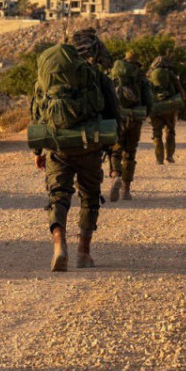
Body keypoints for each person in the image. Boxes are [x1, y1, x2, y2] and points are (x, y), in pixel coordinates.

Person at [30, 28, 120, 272]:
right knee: (90, 197)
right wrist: (112, 149)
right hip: (89, 146)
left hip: (57, 146)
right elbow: (114, 114)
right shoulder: (96, 76)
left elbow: (37, 113)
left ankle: (59, 243)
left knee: (58, 194)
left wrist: (39, 150)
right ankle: (83, 252)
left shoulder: (47, 78)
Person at [108, 51, 153, 202]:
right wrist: (146, 113)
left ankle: (116, 175)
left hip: (117, 116)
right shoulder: (140, 76)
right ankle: (126, 190)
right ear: (136, 63)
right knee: (130, 152)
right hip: (135, 117)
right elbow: (149, 99)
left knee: (115, 150)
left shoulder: (113, 73)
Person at [148, 55, 185, 166]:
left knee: (157, 133)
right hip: (169, 106)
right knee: (170, 131)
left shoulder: (149, 74)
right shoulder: (170, 74)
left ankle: (159, 159)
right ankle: (169, 156)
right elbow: (180, 90)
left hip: (155, 107)